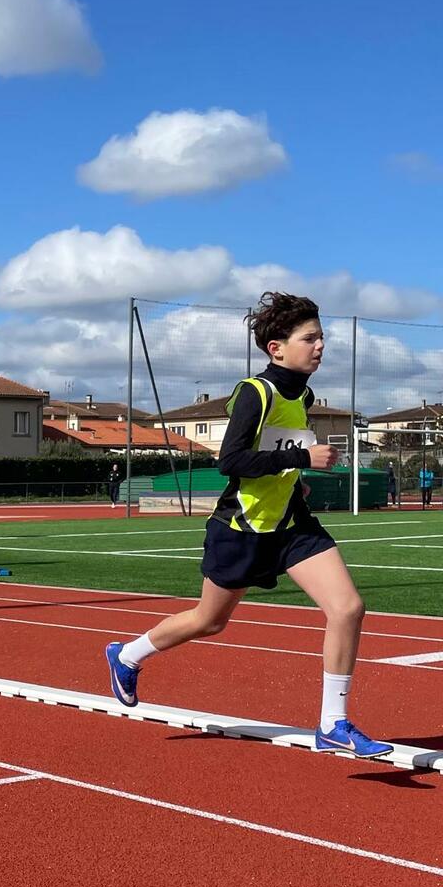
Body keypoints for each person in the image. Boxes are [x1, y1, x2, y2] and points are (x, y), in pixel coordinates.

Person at [104, 291, 392, 758]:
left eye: (321, 337)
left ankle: (333, 724)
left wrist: (295, 481)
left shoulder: (304, 395)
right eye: (310, 338)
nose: (320, 346)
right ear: (276, 348)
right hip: (241, 529)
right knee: (210, 621)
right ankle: (127, 655)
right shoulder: (256, 393)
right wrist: (302, 458)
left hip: (293, 526)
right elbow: (231, 461)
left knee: (348, 608)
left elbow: (275, 453)